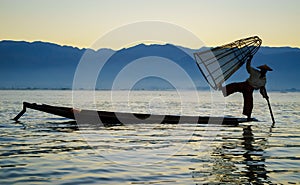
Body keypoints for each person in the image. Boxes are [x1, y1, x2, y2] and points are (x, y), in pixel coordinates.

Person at [221, 55, 273, 120]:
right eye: (263, 70)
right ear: (261, 70)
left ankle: (248, 116)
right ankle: (223, 90)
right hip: (245, 85)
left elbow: (262, 89)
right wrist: (249, 60)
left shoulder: (264, 80)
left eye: (265, 70)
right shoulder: (255, 72)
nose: (264, 71)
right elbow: (248, 68)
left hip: (250, 90)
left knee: (249, 103)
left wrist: (265, 96)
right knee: (234, 86)